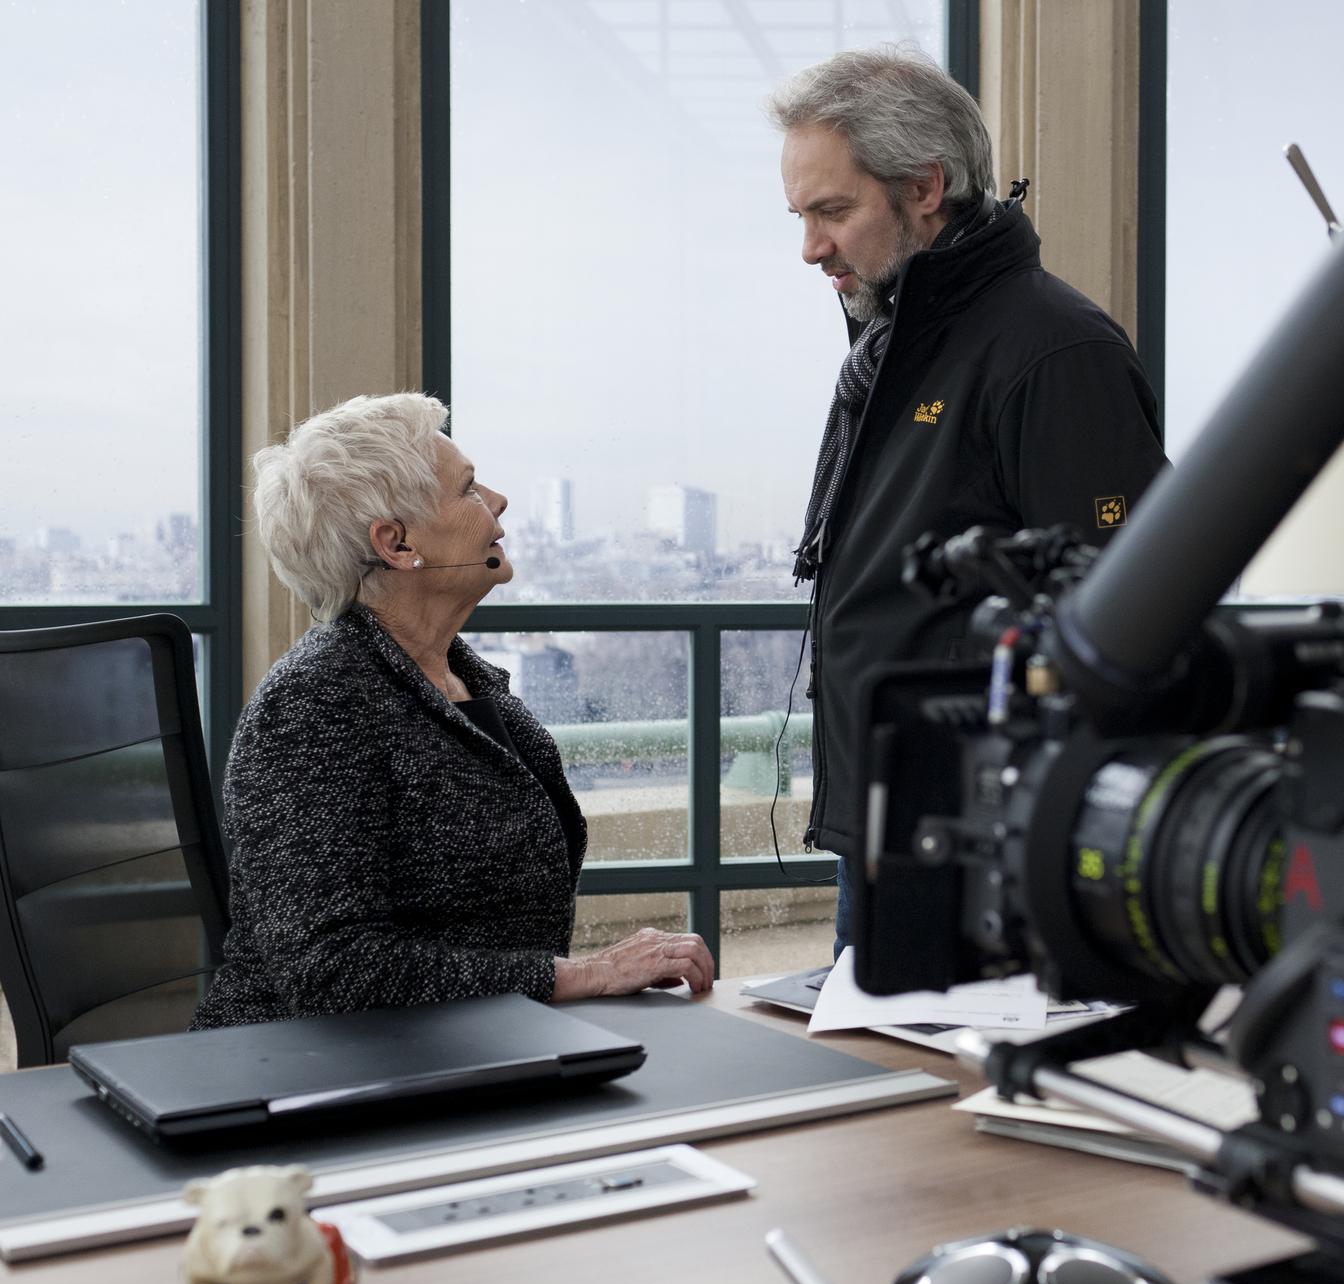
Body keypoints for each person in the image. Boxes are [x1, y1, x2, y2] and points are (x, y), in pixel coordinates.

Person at [769, 46, 1170, 962]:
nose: (810, 248)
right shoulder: (897, 344)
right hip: (892, 825)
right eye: (800, 215)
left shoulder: (1054, 352)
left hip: (985, 845)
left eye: (833, 211)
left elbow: (1122, 623)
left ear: (925, 187)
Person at [191, 393, 713, 1029]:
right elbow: (333, 971)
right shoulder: (312, 705)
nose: (496, 499)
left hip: (473, 1051)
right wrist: (583, 976)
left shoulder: (468, 682)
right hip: (315, 1083)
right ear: (397, 543)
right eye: (467, 489)